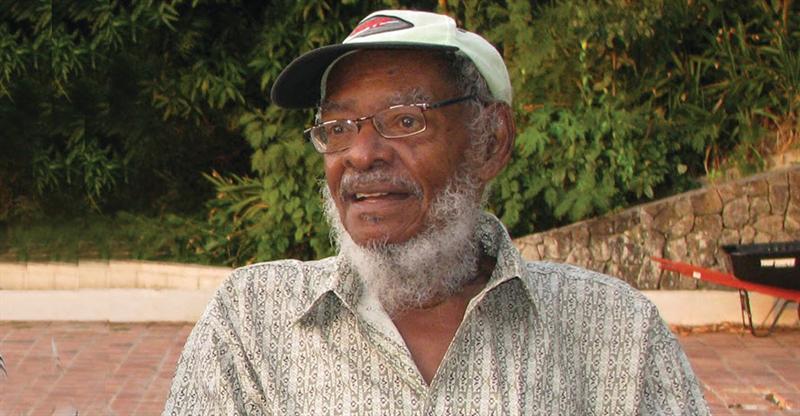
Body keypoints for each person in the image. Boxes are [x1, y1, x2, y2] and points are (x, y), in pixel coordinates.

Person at [164, 9, 709, 415]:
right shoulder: (251, 322)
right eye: (339, 127)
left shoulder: (615, 330)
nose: (361, 154)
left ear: (491, 140)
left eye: (406, 120)